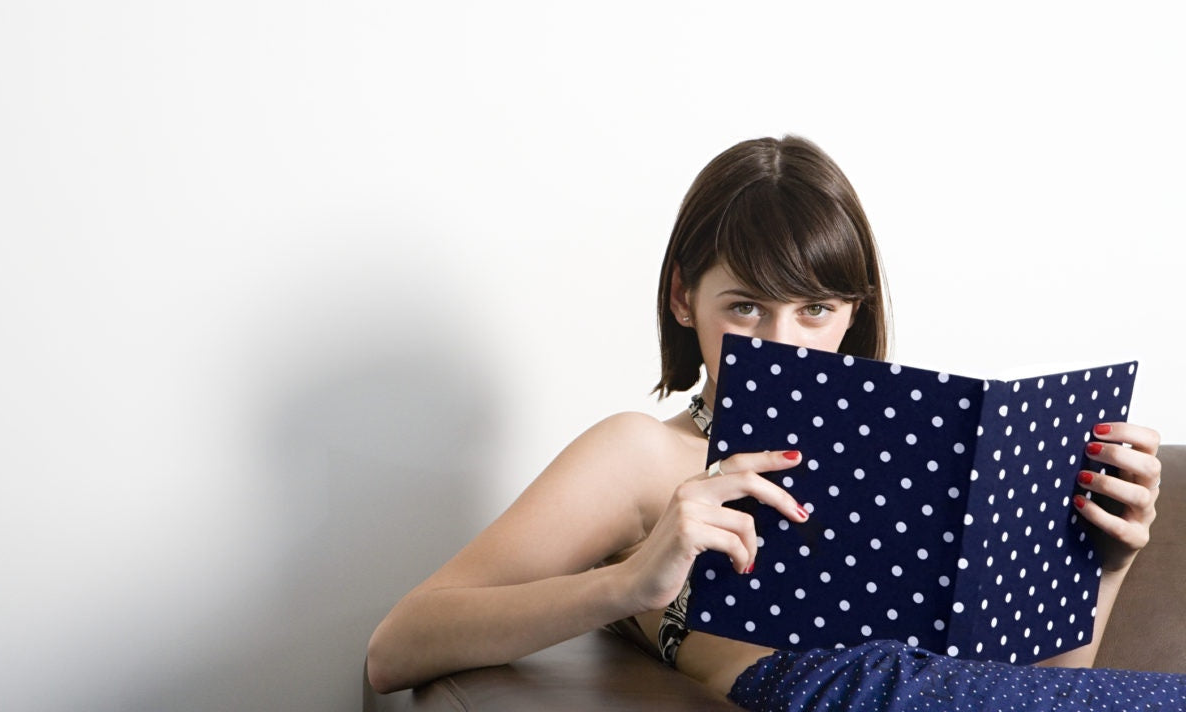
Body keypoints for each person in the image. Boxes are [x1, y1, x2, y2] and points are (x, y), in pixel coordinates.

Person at [367, 135, 1181, 710]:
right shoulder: (642, 456)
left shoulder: (913, 456)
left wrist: (1100, 562)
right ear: (685, 297)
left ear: (851, 313)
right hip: (829, 688)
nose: (783, 343)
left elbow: (1042, 689)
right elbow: (394, 649)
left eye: (815, 309)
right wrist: (630, 582)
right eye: (746, 307)